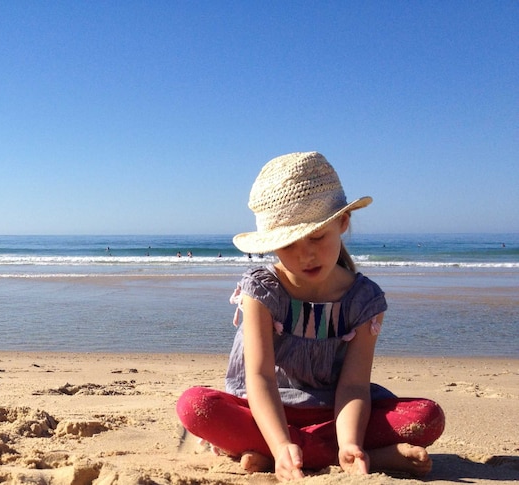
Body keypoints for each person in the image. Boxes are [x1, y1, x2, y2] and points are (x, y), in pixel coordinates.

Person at [176, 152, 444, 481]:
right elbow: (259, 379)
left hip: (337, 412)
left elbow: (355, 385)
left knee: (427, 416)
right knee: (194, 406)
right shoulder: (261, 290)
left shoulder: (363, 301)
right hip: (270, 410)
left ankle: (289, 453)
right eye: (288, 244)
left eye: (317, 237)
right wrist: (280, 442)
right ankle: (361, 457)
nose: (305, 254)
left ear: (342, 223)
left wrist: (350, 442)